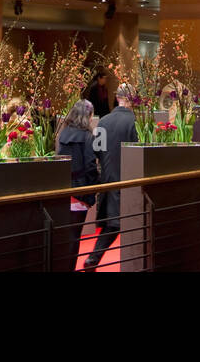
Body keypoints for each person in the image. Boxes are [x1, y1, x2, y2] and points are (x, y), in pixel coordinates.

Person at [83, 85, 138, 271]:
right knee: (128, 222)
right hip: (130, 179)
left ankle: (93, 258)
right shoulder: (135, 121)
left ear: (117, 97)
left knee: (113, 224)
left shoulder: (104, 121)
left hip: (108, 178)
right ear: (132, 99)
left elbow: (96, 149)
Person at [57, 99, 100, 270]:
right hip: (80, 192)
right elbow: (90, 165)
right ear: (87, 116)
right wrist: (93, 188)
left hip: (65, 190)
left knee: (67, 236)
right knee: (74, 238)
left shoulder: (64, 133)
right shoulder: (87, 136)